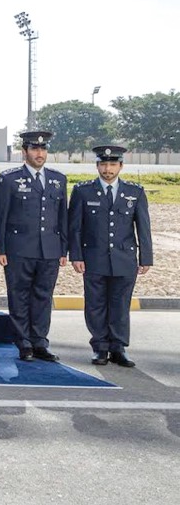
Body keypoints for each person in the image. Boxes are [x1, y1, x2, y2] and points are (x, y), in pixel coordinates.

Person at [68, 145, 153, 367]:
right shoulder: (82, 191)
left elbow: (143, 227)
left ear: (121, 166)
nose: (108, 169)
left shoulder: (135, 192)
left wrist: (146, 258)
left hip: (124, 259)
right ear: (97, 165)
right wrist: (76, 255)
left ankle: (119, 347)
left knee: (120, 304)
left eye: (112, 164)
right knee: (95, 304)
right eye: (103, 164)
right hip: (93, 258)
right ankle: (100, 347)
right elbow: (75, 227)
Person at [0, 131, 68, 362]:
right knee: (19, 297)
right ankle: (24, 343)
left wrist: (63, 249)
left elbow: (62, 217)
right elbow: (1, 216)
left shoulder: (58, 179)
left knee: (43, 297)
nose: (40, 153)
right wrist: (1, 248)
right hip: (19, 249)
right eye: (35, 149)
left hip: (49, 249)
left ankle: (40, 342)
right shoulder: (9, 179)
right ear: (24, 151)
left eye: (43, 149)